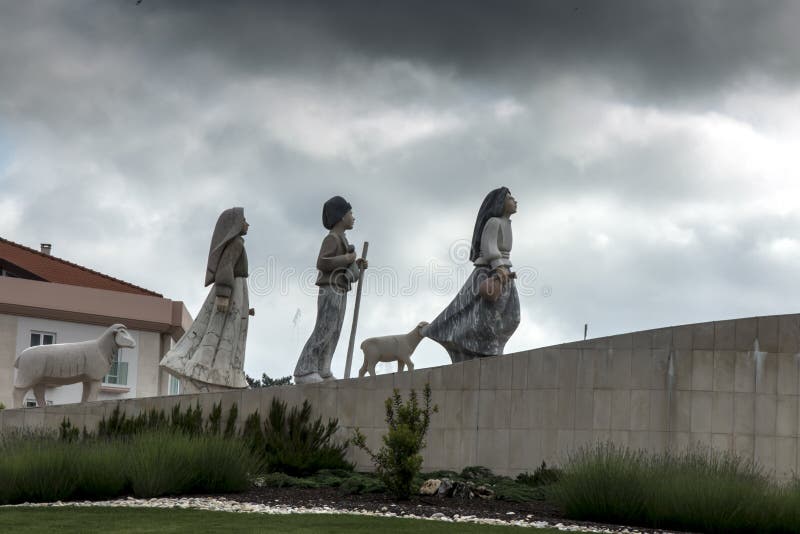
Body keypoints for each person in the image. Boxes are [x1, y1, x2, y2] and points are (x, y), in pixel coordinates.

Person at [423, 187, 520, 362]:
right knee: (484, 316)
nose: (515, 201)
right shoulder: (493, 222)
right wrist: (498, 267)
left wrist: (503, 269)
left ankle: (492, 347)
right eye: (510, 198)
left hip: (504, 273)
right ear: (500, 203)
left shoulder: (506, 224)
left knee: (511, 316)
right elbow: (489, 246)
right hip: (491, 272)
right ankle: (478, 348)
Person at [160, 207, 251, 392]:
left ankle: (216, 373)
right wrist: (224, 295)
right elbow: (225, 268)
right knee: (221, 332)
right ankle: (207, 371)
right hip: (230, 290)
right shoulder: (236, 244)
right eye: (244, 220)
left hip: (236, 291)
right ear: (235, 225)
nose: (247, 224)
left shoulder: (238, 243)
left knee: (226, 332)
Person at [294, 196, 366, 384]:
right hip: (330, 288)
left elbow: (342, 263)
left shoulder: (343, 238)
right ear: (341, 216)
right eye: (350, 213)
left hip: (341, 288)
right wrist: (348, 259)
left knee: (335, 329)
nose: (353, 217)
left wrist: (355, 264)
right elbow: (322, 262)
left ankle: (323, 369)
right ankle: (304, 369)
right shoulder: (332, 238)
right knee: (325, 327)